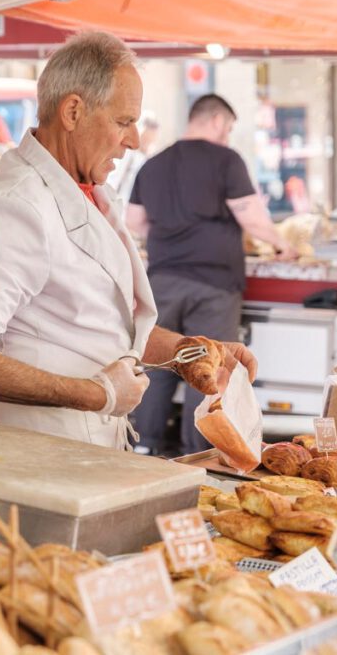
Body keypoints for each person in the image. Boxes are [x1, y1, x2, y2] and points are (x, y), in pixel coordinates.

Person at [0, 32, 256, 450]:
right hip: (36, 459)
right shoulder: (14, 204)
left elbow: (105, 330)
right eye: (123, 122)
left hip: (90, 457)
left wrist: (189, 352)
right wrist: (98, 394)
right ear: (73, 111)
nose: (133, 140)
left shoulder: (90, 189)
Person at [125, 94, 297, 456]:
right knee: (208, 368)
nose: (229, 136)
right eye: (229, 128)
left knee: (155, 363)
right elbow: (250, 216)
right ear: (217, 121)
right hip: (213, 285)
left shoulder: (153, 164)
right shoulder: (226, 161)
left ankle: (143, 447)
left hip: (162, 280)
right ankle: (199, 455)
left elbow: (134, 222)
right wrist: (283, 245)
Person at [110, 112, 160, 203]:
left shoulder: (152, 155)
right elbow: (117, 178)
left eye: (151, 139)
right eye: (147, 138)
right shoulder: (129, 153)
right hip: (124, 202)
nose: (148, 141)